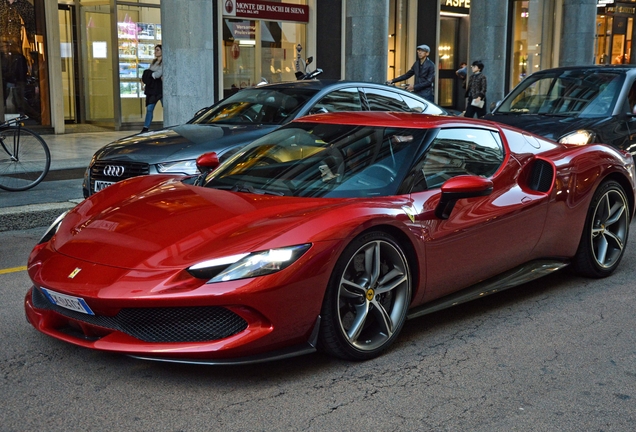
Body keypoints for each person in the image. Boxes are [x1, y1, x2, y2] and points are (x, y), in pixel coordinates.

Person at [141, 44, 163, 132]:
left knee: (166, 107)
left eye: (157, 50)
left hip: (160, 89)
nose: (155, 52)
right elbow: (153, 75)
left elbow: (157, 75)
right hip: (152, 89)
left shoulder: (164, 62)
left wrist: (149, 74)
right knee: (149, 108)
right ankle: (145, 127)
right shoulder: (154, 62)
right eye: (155, 50)